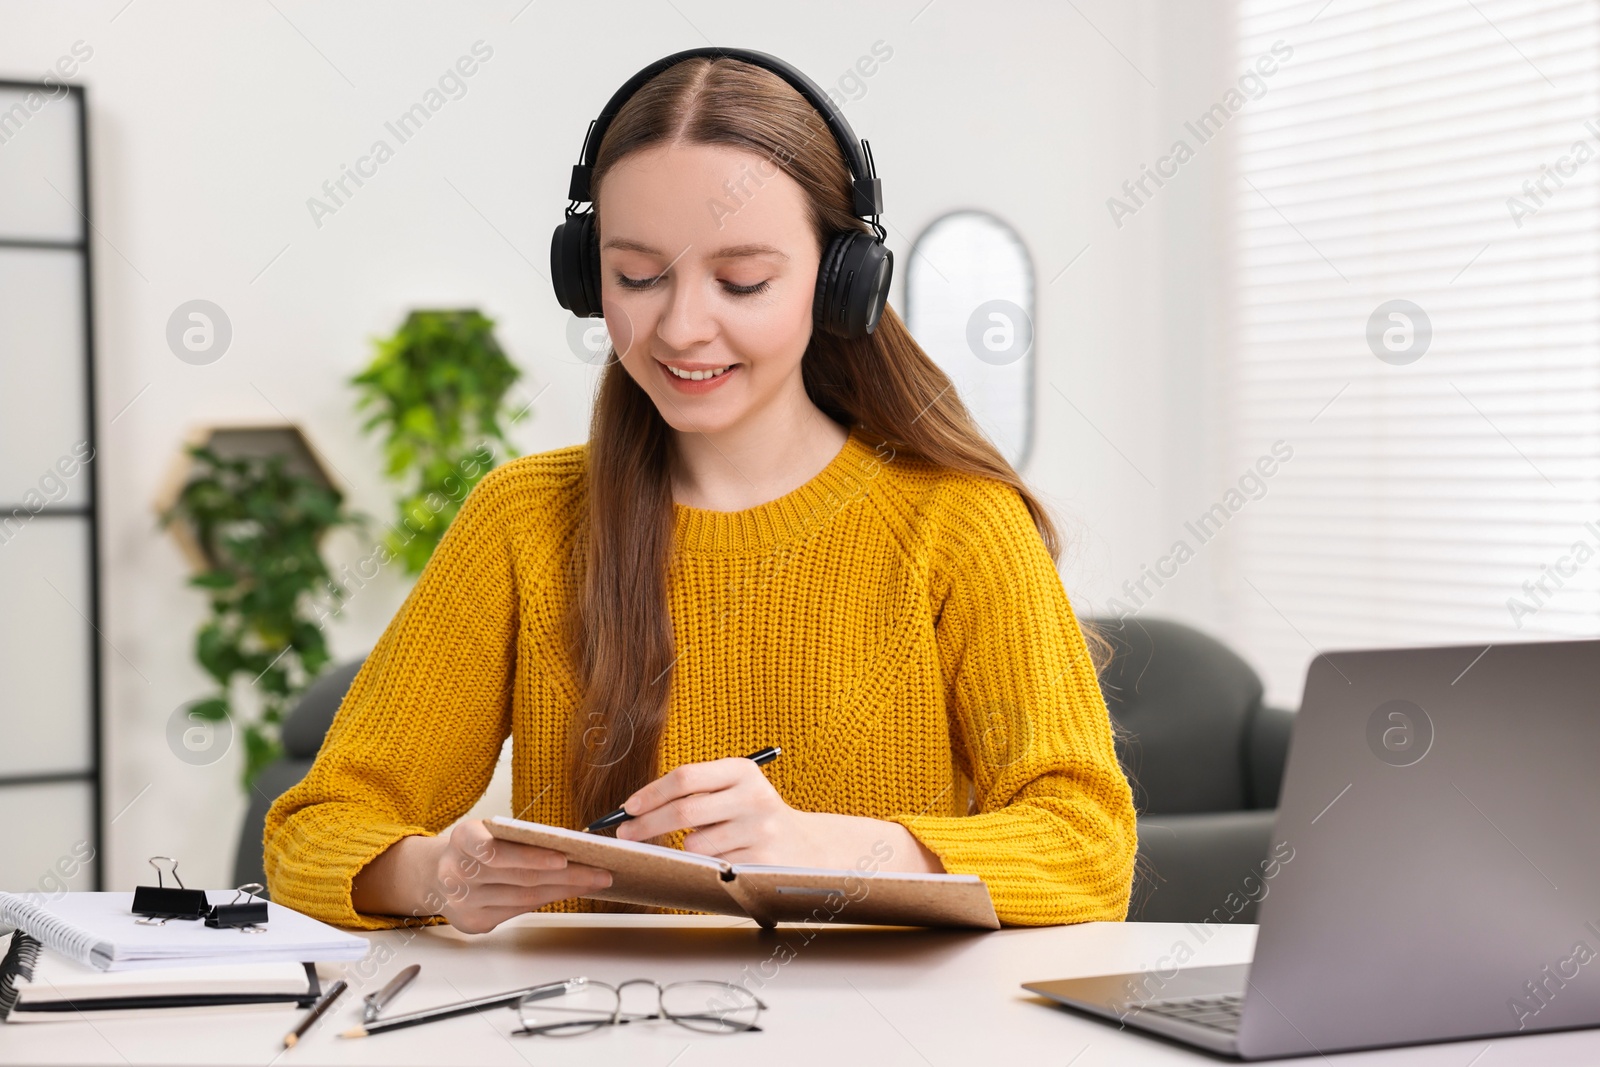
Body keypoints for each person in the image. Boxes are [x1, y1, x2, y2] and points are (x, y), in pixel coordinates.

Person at [262, 53, 1137, 934]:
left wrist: (829, 850)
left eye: (743, 281)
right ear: (585, 273)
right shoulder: (521, 520)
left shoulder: (957, 524)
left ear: (841, 281)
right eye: (637, 276)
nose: (680, 327)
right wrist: (434, 874)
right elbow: (317, 828)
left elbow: (1086, 848)